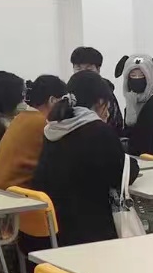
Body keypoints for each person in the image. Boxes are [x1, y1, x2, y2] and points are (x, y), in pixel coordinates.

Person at [33, 71, 138, 247]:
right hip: (90, 232)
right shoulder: (98, 131)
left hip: (53, 230)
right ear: (101, 102)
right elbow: (120, 177)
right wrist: (132, 165)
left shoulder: (53, 128)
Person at [0, 75, 67, 250]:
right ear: (53, 100)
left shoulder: (20, 118)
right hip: (23, 207)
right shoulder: (44, 124)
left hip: (5, 200)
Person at [115, 54, 153, 158]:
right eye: (133, 75)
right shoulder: (131, 101)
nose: (137, 79)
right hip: (134, 159)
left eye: (141, 75)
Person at [70, 46, 124, 135]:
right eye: (78, 68)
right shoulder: (69, 93)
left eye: (88, 69)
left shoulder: (106, 92)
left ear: (98, 70)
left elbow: (116, 124)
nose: (83, 73)